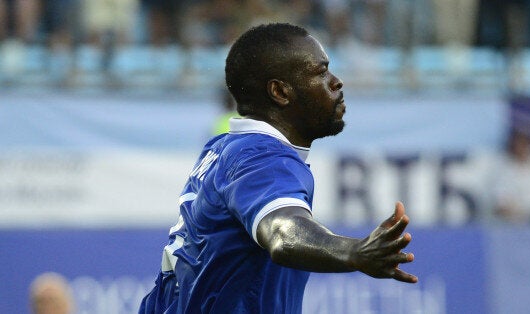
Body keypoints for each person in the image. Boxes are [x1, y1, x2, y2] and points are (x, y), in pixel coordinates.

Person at [139, 23, 417, 314]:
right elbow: (283, 232)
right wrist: (354, 252)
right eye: (321, 72)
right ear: (280, 92)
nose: (336, 82)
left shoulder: (223, 147)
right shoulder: (264, 157)